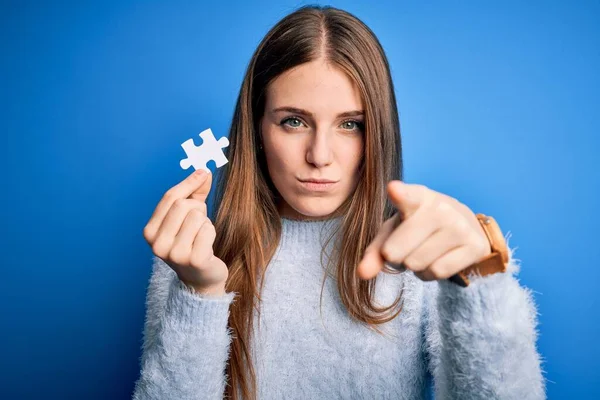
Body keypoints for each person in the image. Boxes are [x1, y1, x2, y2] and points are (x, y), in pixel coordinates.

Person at [132, 5, 546, 400]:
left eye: (350, 125)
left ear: (377, 134)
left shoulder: (420, 254)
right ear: (257, 128)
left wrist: (478, 279)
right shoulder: (195, 254)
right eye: (294, 121)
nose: (320, 155)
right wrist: (198, 294)